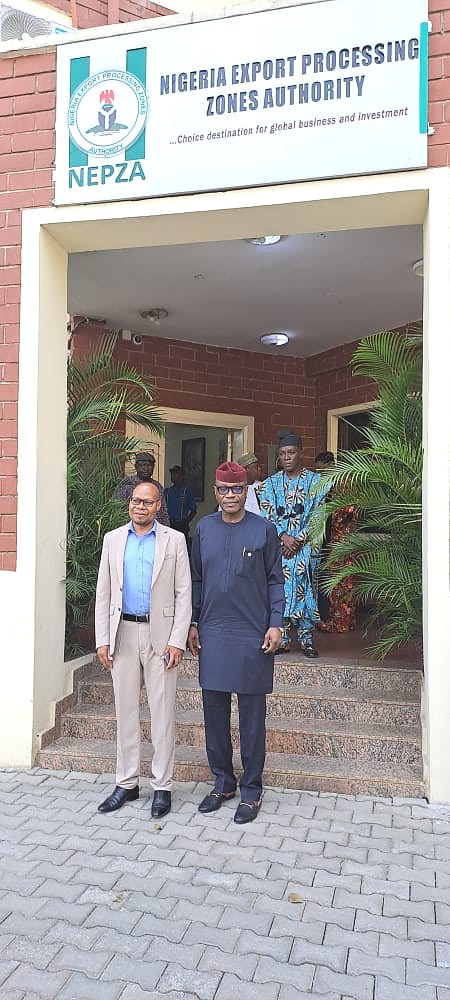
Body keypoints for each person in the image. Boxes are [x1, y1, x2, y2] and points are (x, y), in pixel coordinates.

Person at [188, 462, 284, 824]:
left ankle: (252, 789)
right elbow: (196, 580)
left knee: (251, 718)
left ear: (247, 491)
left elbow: (276, 580)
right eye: (224, 490)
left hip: (252, 634)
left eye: (237, 490)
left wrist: (275, 625)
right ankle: (223, 782)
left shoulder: (264, 530)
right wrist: (193, 622)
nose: (230, 496)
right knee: (214, 713)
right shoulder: (203, 529)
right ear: (215, 492)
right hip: (212, 632)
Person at [95, 481, 192, 818]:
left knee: (162, 715)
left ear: (157, 505)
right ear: (129, 504)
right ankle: (127, 783)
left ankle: (162, 786)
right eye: (136, 501)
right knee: (125, 713)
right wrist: (102, 639)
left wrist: (177, 640)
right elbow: (104, 593)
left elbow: (184, 595)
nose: (140, 507)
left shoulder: (174, 541)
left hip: (160, 636)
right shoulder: (112, 540)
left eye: (147, 502)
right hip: (122, 634)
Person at [257, 431, 326, 657]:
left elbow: (320, 514)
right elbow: (266, 513)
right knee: (281, 591)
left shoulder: (316, 482)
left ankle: (306, 639)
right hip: (280, 549)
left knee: (306, 591)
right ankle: (283, 638)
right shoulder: (270, 484)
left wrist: (299, 538)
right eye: (283, 454)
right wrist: (284, 536)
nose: (287, 457)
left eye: (291, 453)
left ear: (301, 453)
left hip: (305, 548)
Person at [315, 452, 357, 633]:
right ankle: (344, 621)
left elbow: (346, 511)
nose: (320, 474)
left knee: (340, 583)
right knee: (341, 583)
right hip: (339, 540)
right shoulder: (334, 483)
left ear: (329, 465)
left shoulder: (341, 483)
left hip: (342, 542)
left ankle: (340, 623)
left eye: (321, 469)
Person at [116, 452, 170, 526]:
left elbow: (163, 512)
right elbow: (117, 510)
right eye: (142, 465)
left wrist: (165, 530)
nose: (146, 469)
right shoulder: (127, 484)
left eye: (149, 465)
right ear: (136, 467)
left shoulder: (157, 486)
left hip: (154, 530)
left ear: (153, 467)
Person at [164, 465, 197, 548]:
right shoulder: (167, 492)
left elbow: (193, 510)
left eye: (175, 474)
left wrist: (186, 521)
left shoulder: (186, 491)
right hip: (170, 524)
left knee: (182, 548)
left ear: (181, 476)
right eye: (172, 474)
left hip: (181, 525)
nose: (173, 476)